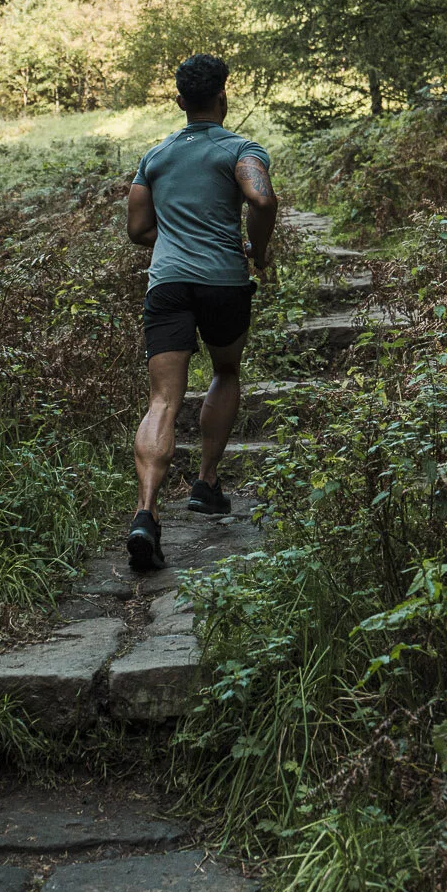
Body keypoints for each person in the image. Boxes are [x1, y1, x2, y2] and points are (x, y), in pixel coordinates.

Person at [124, 53, 277, 571]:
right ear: (223, 96)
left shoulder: (155, 156)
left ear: (179, 100)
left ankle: (145, 514)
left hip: (166, 285)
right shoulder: (241, 149)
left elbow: (138, 230)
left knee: (163, 400)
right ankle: (206, 483)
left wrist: (175, 236)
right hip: (223, 283)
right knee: (226, 370)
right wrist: (258, 252)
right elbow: (261, 199)